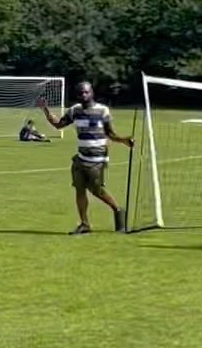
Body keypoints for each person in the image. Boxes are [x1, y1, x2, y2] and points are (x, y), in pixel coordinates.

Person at [39, 80, 133, 234]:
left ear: (92, 93)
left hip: (98, 160)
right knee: (79, 190)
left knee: (97, 191)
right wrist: (45, 109)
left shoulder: (103, 110)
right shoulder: (74, 111)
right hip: (81, 158)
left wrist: (124, 140)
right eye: (81, 93)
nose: (83, 95)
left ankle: (117, 210)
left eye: (86, 92)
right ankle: (84, 224)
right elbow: (58, 125)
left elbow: (110, 134)